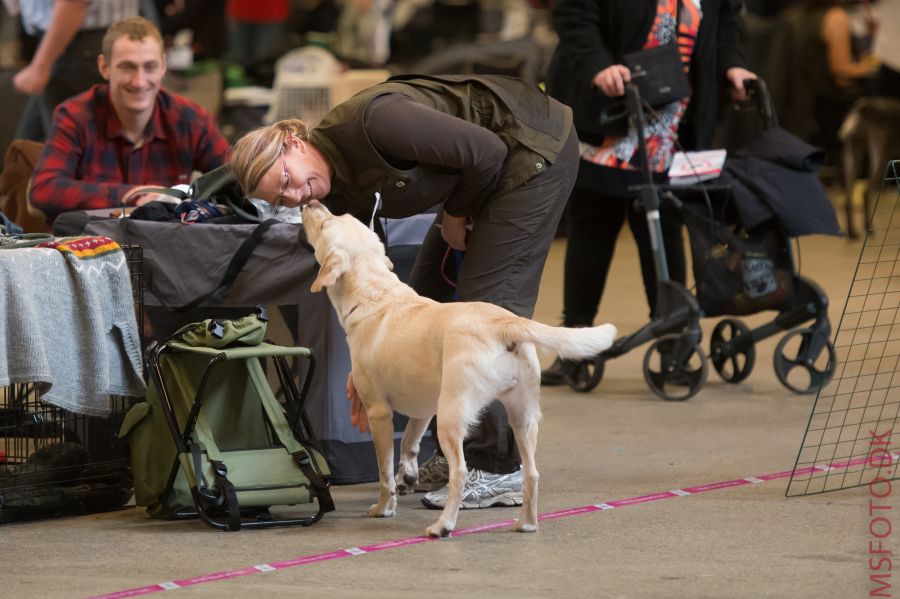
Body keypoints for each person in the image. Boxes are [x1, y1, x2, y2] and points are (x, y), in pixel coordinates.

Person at [230, 73, 579, 510]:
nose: (298, 196)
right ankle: (455, 452)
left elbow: (488, 152)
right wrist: (365, 368)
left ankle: (496, 467)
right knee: (425, 299)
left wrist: (456, 214)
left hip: (531, 150)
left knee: (484, 312)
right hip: (479, 176)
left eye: (288, 180)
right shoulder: (333, 190)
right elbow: (378, 278)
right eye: (283, 201)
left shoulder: (376, 122)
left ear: (294, 144)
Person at [540, 0, 757, 385]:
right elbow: (575, 17)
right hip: (608, 110)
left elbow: (725, 26)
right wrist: (598, 65)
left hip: (672, 120)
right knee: (593, 226)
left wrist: (732, 66)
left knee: (662, 225)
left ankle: (673, 338)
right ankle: (576, 340)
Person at [29, 16, 231, 224]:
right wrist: (134, 195)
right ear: (104, 67)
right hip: (94, 249)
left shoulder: (190, 119)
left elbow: (236, 178)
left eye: (150, 66)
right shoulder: (75, 116)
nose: (139, 81)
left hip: (164, 247)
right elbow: (44, 190)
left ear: (163, 66)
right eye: (127, 67)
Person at [13, 0, 140, 141]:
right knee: (29, 148)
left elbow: (74, 2)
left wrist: (40, 67)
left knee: (67, 151)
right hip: (73, 41)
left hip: (77, 42)